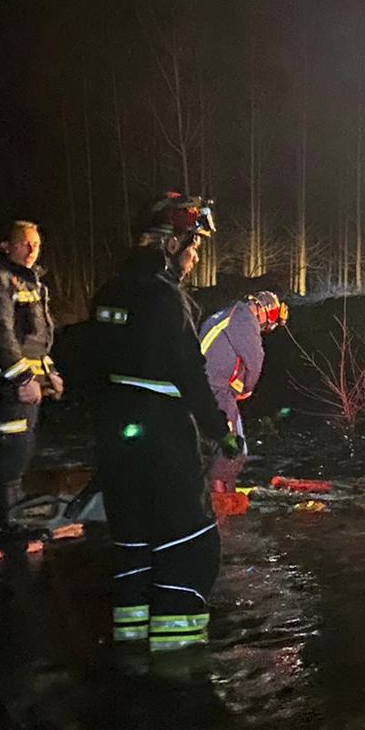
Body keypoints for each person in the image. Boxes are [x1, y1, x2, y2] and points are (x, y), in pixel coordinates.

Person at [89, 192, 239, 652]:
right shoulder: (167, 298)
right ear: (170, 245)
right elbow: (190, 375)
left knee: (133, 554)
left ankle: (132, 666)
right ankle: (180, 679)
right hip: (164, 444)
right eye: (192, 247)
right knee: (189, 553)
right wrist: (222, 433)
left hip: (115, 445)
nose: (194, 258)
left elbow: (87, 367)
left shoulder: (109, 293)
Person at [0, 220, 60, 539]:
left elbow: (36, 338)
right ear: (6, 246)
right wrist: (23, 378)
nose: (31, 250)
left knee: (23, 447)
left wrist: (49, 372)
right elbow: (1, 333)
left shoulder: (33, 282)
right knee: (12, 448)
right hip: (6, 383)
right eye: (25, 243)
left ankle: (14, 515)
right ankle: (8, 522)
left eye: (36, 244)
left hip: (26, 382)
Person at [200, 290, 288, 494]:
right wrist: (246, 389)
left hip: (204, 387)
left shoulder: (229, 314)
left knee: (211, 445)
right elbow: (255, 361)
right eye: (272, 318)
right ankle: (220, 497)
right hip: (216, 390)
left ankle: (213, 488)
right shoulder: (245, 321)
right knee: (233, 448)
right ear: (264, 309)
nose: (268, 326)